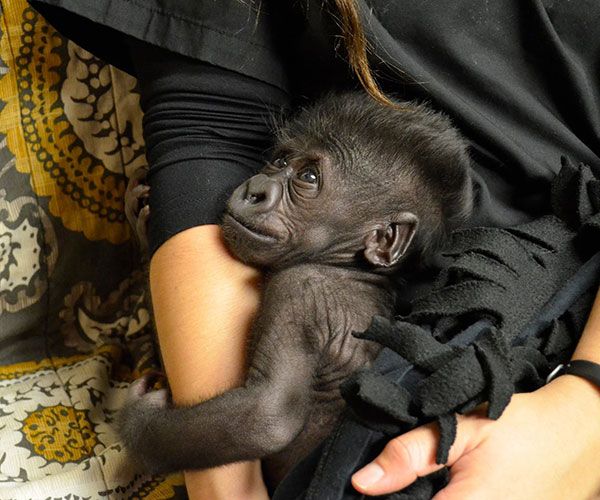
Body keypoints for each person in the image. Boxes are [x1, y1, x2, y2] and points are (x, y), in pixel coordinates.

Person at [27, 1, 600, 499]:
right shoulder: (329, 283)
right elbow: (211, 126)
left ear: (382, 242)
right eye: (275, 163)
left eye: (304, 179)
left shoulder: (310, 291)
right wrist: (225, 486)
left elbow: (266, 417)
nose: (256, 188)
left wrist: (145, 432)